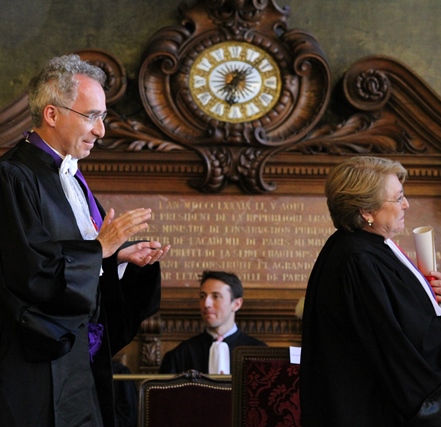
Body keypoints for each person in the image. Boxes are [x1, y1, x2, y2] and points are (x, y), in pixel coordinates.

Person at [0, 54, 170, 427]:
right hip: (35, 369)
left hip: (78, 367)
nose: (101, 130)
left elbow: (77, 260)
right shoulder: (11, 178)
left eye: (103, 117)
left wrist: (119, 259)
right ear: (52, 114)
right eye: (91, 116)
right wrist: (100, 250)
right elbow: (29, 274)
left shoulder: (74, 177)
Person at [300, 156, 441, 426]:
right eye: (398, 199)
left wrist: (429, 296)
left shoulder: (369, 248)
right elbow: (399, 338)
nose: (406, 204)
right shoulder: (357, 259)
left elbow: (400, 312)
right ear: (365, 211)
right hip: (367, 409)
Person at [160, 271, 266, 374]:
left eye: (216, 296)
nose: (206, 304)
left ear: (236, 304)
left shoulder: (260, 353)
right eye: (202, 296)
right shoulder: (180, 354)